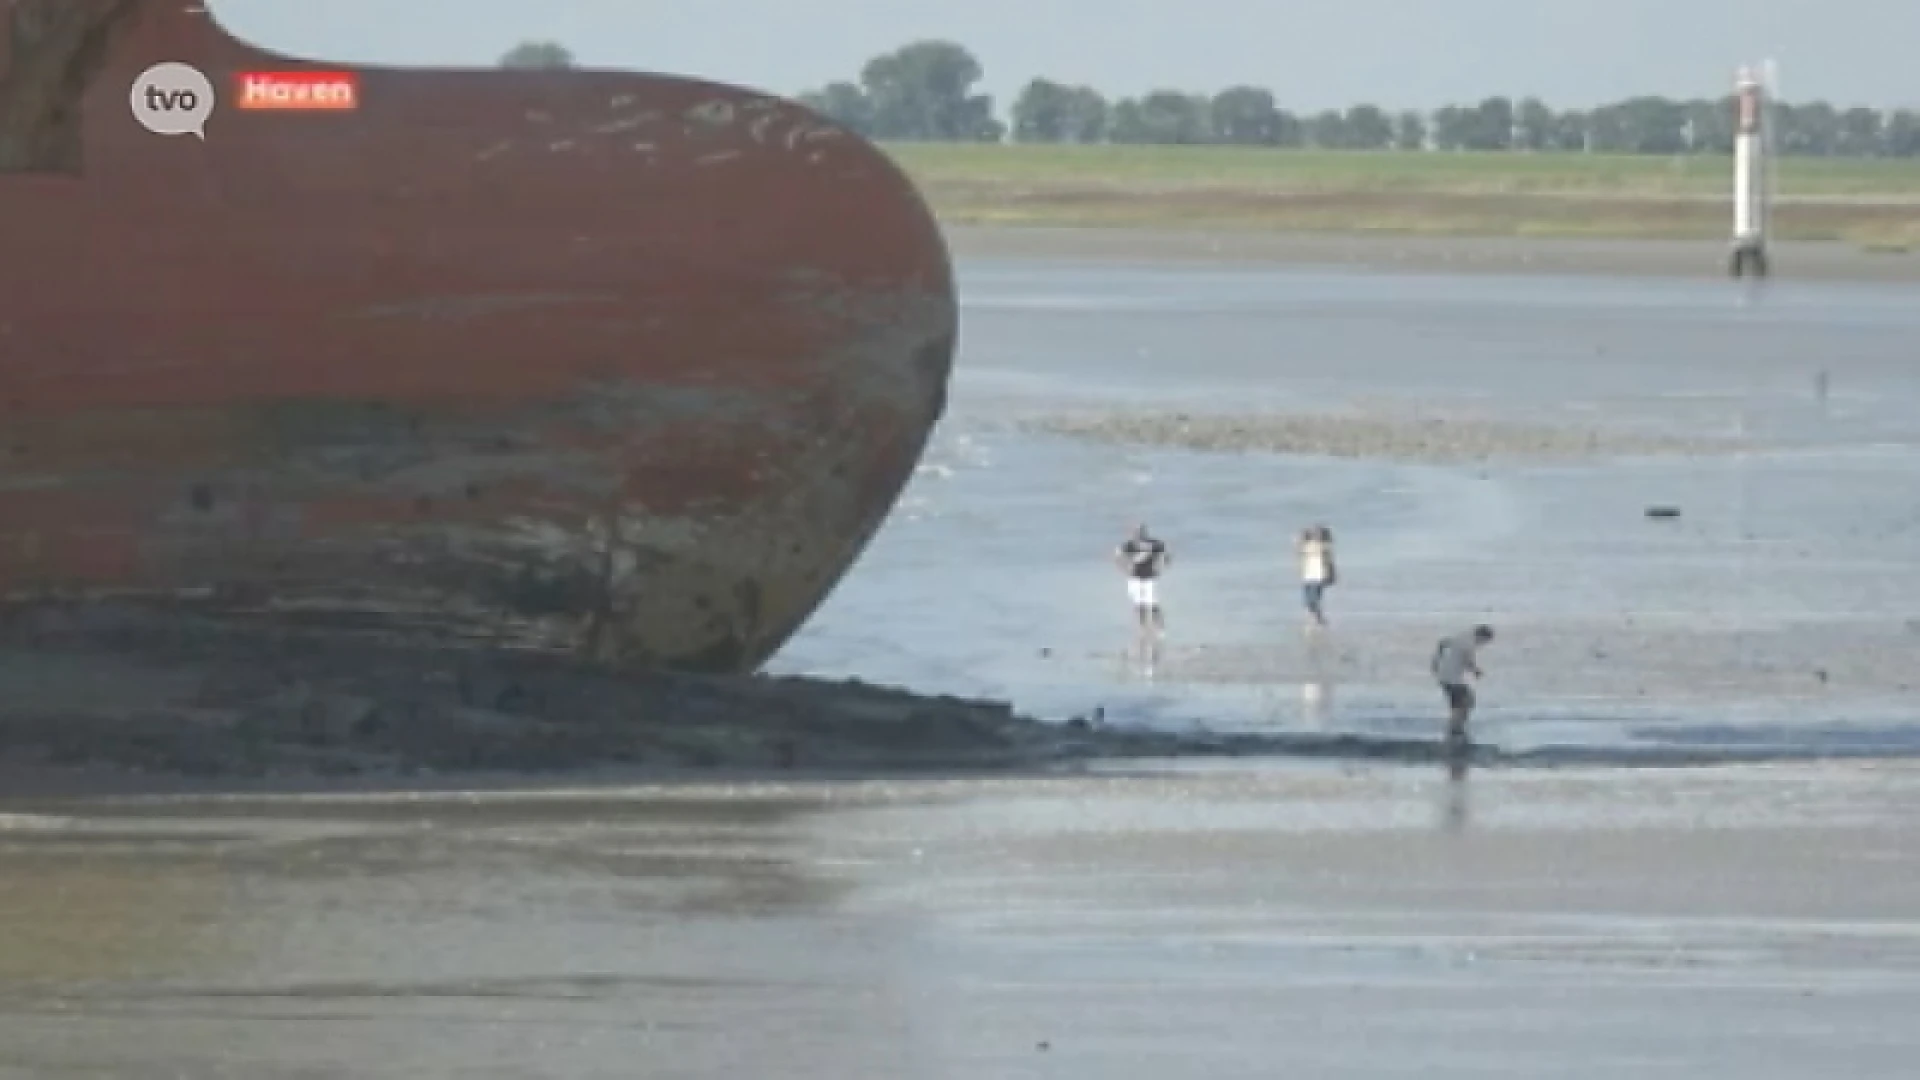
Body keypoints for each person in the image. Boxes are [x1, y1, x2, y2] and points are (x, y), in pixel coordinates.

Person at [1431, 624, 1494, 743]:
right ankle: (1455, 730)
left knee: (1458, 704)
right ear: (1481, 636)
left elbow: (1443, 642)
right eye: (1485, 641)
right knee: (1467, 701)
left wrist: (1436, 661)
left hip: (1444, 676)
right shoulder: (1469, 643)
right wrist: (1476, 671)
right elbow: (1467, 660)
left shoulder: (1461, 636)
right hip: (1451, 678)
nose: (1483, 645)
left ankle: (1455, 729)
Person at [1114, 523, 1170, 634]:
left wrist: (1162, 567)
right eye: (1136, 532)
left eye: (1140, 531)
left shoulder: (1155, 544)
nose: (1138, 534)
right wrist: (1124, 569)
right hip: (1135, 578)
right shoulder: (1129, 545)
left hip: (1149, 576)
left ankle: (1160, 628)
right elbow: (1118, 556)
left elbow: (1166, 555)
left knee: (1152, 603)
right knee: (1140, 604)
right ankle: (1144, 628)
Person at [1298, 524, 1336, 627]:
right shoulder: (1307, 545)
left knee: (1313, 600)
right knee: (1307, 601)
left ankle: (1318, 620)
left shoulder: (1325, 547)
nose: (1316, 535)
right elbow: (1299, 552)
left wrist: (1332, 575)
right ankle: (1318, 620)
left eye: (1318, 533)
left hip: (1319, 576)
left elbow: (1330, 563)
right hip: (1307, 576)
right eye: (1315, 533)